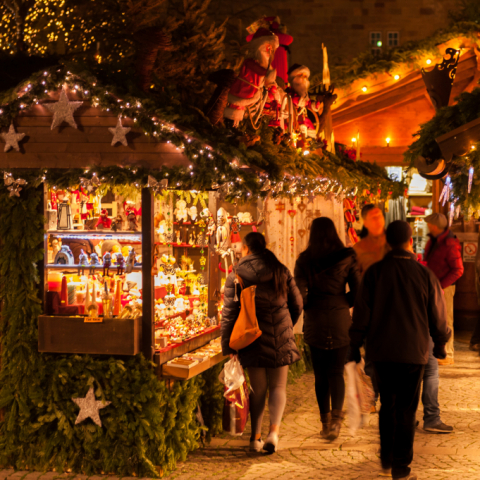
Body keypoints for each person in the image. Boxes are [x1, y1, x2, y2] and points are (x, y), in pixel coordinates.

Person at [349, 221, 451, 480]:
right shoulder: (424, 274)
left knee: (387, 405)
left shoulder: (374, 273)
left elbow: (361, 313)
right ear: (409, 242)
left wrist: (355, 344)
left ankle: (386, 454)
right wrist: (440, 345)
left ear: (387, 242)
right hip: (413, 351)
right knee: (406, 409)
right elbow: (438, 315)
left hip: (381, 351)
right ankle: (401, 467)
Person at [221, 232, 303, 454]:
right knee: (278, 386)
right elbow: (297, 303)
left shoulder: (237, 274)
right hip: (281, 334)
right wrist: (287, 325)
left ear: (247, 248)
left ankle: (254, 438)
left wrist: (228, 346)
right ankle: (273, 434)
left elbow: (229, 312)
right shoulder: (281, 270)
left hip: (251, 336)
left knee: (258, 389)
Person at [294, 217, 360, 441]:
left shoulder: (304, 260)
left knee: (320, 374)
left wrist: (312, 304)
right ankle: (336, 423)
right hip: (340, 318)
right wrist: (342, 302)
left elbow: (299, 296)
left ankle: (325, 423)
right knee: (336, 372)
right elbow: (359, 292)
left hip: (316, 319)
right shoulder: (349, 257)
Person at [353, 203, 390, 409]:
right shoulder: (359, 249)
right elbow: (356, 280)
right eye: (373, 217)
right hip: (371, 308)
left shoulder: (394, 242)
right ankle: (373, 396)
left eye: (380, 216)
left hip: (394, 307)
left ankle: (389, 396)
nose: (378, 221)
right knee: (371, 356)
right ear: (365, 222)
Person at [424, 213, 464, 365]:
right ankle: (438, 351)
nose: (427, 225)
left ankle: (448, 354)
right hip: (435, 285)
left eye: (429, 223)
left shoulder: (450, 244)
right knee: (436, 318)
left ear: (435, 226)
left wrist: (441, 286)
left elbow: (458, 270)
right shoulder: (434, 241)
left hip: (444, 287)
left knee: (446, 318)